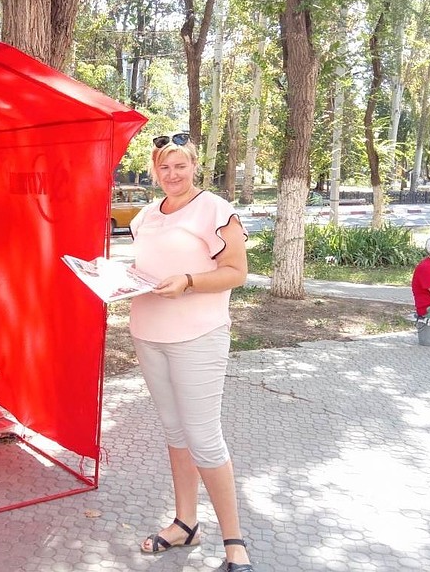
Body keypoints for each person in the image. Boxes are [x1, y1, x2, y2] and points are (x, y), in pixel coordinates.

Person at [129, 132, 254, 572]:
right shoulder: (145, 216)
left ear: (194, 165)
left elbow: (236, 272)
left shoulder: (215, 209)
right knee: (175, 433)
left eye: (180, 165)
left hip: (198, 336)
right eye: (164, 167)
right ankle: (185, 523)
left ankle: (234, 543)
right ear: (155, 170)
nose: (172, 174)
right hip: (148, 333)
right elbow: (144, 269)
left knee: (203, 438)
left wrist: (189, 280)